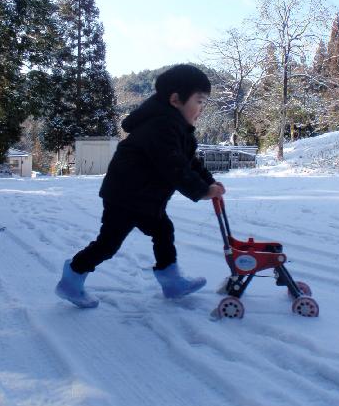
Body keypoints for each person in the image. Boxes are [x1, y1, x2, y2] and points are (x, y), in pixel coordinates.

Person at [55, 64, 225, 308]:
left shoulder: (176, 127)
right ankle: (71, 278)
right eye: (199, 101)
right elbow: (173, 165)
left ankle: (172, 281)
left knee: (163, 231)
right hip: (125, 197)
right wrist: (201, 191)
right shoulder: (160, 126)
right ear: (176, 99)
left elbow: (189, 161)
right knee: (108, 244)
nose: (202, 108)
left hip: (145, 198)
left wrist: (209, 181)